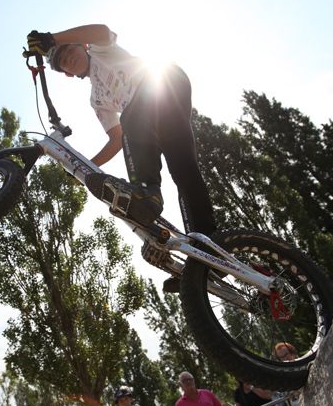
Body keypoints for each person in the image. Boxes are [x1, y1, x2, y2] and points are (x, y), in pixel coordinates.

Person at [26, 26, 217, 259]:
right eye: (63, 61)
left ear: (81, 45)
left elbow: (102, 31)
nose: (69, 58)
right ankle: (206, 250)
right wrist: (86, 168)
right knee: (183, 172)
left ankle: (147, 191)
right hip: (154, 118)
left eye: (69, 50)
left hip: (165, 82)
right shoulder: (96, 99)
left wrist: (52, 39)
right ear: (66, 73)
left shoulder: (100, 51)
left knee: (131, 116)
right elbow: (117, 139)